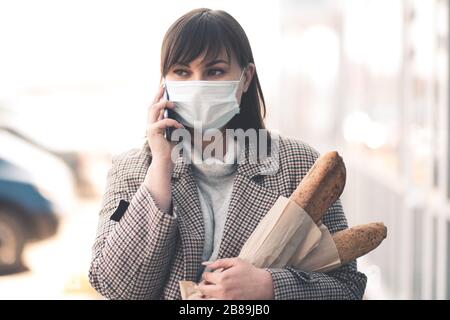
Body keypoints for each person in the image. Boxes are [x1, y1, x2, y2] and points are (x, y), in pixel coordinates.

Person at [89, 8, 367, 300]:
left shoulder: (299, 165)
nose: (197, 85)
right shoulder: (132, 168)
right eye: (182, 72)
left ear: (245, 78)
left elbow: (347, 287)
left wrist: (269, 287)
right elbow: (117, 287)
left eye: (215, 71)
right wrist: (161, 164)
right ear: (164, 83)